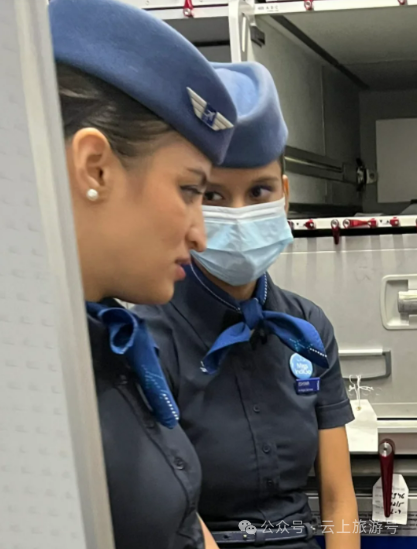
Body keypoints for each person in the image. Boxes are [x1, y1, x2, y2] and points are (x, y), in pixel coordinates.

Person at [134, 63, 359, 549]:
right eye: (213, 195)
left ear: (285, 195)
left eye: (259, 191)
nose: (238, 215)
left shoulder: (307, 327)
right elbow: (172, 514)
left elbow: (338, 498)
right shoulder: (147, 338)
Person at [49, 1, 237, 548]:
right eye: (189, 189)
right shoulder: (23, 386)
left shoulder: (109, 339)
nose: (201, 235)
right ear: (95, 168)